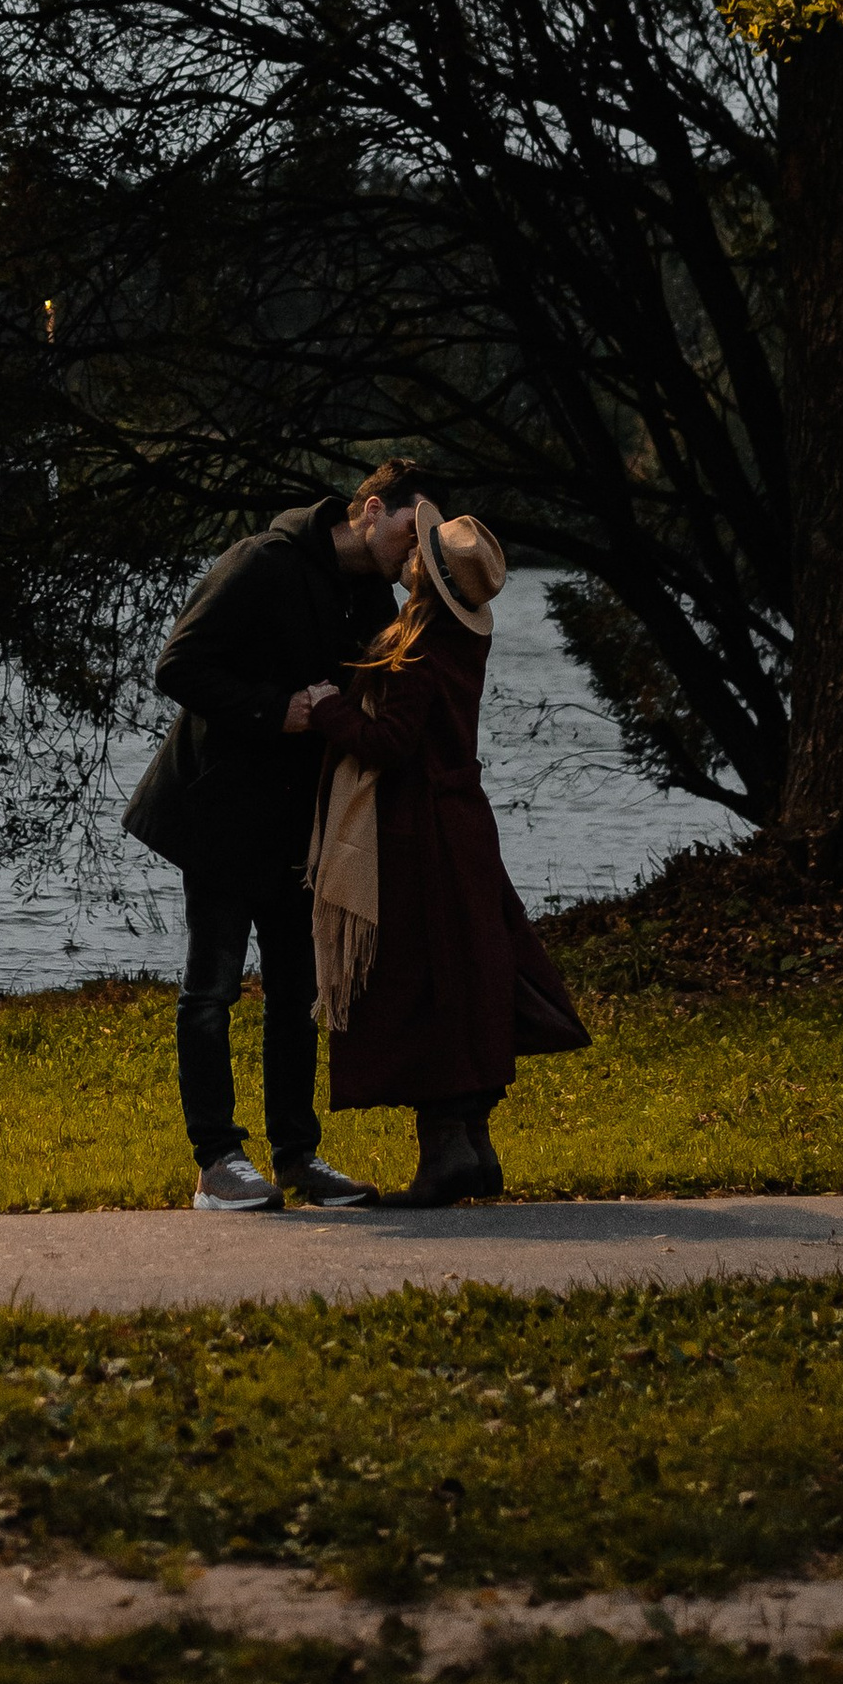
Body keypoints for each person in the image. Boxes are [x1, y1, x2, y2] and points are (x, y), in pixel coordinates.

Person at [122, 462, 429, 1210]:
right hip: (220, 810)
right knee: (212, 989)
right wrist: (276, 708)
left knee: (296, 993)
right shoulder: (263, 561)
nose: (414, 549)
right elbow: (178, 665)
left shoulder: (375, 596)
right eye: (408, 530)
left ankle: (297, 1155)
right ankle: (217, 1160)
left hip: (298, 820)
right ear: (371, 509)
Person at [298, 498, 590, 1206]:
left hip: (418, 831)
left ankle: (445, 1153)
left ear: (425, 572)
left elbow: (390, 744)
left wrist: (327, 706)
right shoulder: (464, 641)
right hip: (463, 822)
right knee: (470, 976)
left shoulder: (418, 643)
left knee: (424, 984)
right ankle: (473, 1144)